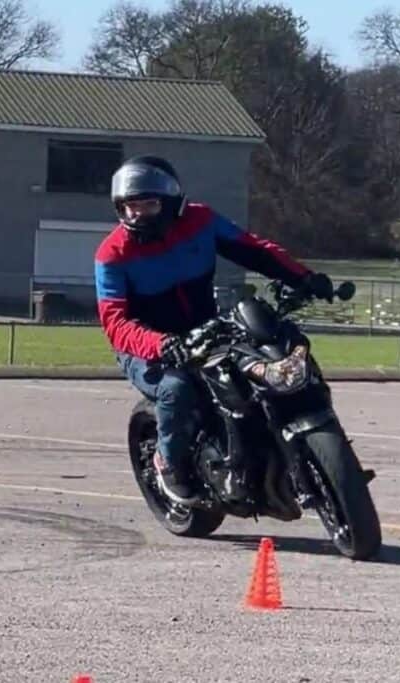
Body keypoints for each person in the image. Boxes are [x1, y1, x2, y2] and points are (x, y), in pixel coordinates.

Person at [94, 155, 334, 505]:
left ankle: (291, 435)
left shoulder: (200, 221)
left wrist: (303, 277)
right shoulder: (112, 254)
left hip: (207, 325)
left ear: (172, 203)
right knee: (176, 388)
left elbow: (253, 250)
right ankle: (169, 463)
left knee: (272, 352)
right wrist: (159, 344)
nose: (138, 215)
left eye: (148, 204)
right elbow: (115, 322)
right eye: (130, 207)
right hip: (148, 345)